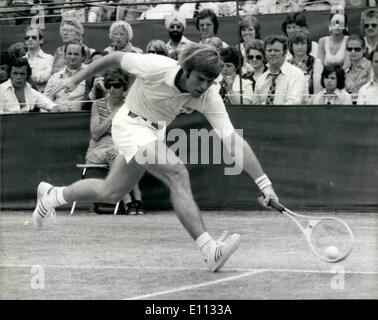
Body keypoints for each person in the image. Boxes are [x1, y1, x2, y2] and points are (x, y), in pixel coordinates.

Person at [31, 44, 279, 272]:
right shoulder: (156, 66)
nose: (204, 86)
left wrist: (264, 184)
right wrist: (74, 79)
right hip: (129, 124)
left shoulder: (208, 95)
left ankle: (52, 196)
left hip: (153, 132)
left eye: (210, 81)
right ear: (186, 69)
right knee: (177, 172)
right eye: (200, 79)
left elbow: (233, 140)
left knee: (110, 193)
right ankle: (209, 249)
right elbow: (115, 58)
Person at [86, 68, 144, 215]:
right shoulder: (97, 105)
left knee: (125, 154)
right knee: (117, 155)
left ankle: (136, 200)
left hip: (120, 144)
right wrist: (114, 114)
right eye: (109, 85)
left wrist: (119, 146)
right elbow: (96, 133)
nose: (112, 88)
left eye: (117, 85)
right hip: (98, 148)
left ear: (124, 88)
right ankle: (129, 202)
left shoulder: (130, 107)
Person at [253, 34, 307, 105]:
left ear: (285, 52)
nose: (272, 53)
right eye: (269, 50)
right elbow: (255, 108)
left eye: (276, 50)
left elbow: (293, 103)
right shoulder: (261, 80)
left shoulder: (296, 75)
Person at [45, 42, 90, 111]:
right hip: (57, 116)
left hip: (80, 116)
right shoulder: (55, 77)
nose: (72, 57)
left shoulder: (89, 75)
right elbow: (46, 100)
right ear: (65, 56)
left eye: (76, 54)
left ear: (83, 57)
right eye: (69, 54)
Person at [52, 10, 95, 74]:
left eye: (70, 31)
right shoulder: (59, 50)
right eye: (64, 30)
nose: (65, 33)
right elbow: (54, 71)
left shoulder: (85, 50)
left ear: (78, 33)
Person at [287, 31, 323, 101]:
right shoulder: (286, 64)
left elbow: (318, 92)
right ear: (291, 45)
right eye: (296, 43)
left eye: (303, 43)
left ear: (308, 45)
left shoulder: (316, 63)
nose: (299, 47)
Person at [23, 26, 54, 93]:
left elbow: (47, 76)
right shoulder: (21, 60)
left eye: (34, 37)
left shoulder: (49, 59)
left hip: (43, 96)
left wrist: (25, 77)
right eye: (27, 38)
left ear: (41, 40)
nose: (30, 39)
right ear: (25, 41)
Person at [344, 34, 372, 104]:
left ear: (364, 49)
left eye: (357, 49)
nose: (353, 52)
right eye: (349, 49)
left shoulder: (371, 66)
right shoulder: (345, 70)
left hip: (367, 104)